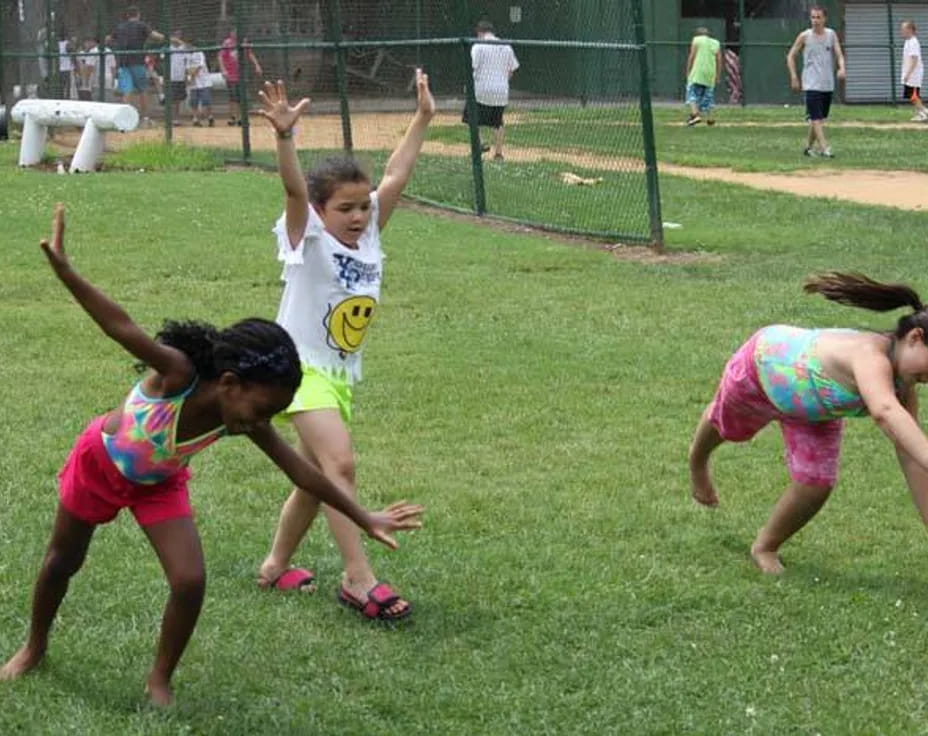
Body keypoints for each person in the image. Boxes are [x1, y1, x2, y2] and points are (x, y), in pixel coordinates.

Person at [0, 205, 423, 705]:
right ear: (229, 383)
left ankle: (160, 679)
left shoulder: (242, 415)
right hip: (101, 464)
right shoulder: (178, 374)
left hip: (159, 482)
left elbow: (304, 472)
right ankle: (34, 647)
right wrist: (68, 272)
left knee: (190, 579)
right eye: (263, 407)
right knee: (63, 561)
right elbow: (120, 326)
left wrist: (363, 513)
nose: (262, 420)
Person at [254, 74, 434, 620]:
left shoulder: (370, 229)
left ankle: (275, 566)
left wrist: (423, 117)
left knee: (314, 482)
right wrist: (286, 138)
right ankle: (359, 578)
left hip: (337, 372)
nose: (358, 217)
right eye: (345, 209)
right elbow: (292, 191)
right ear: (320, 210)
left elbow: (397, 173)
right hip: (298, 368)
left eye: (362, 207)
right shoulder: (304, 234)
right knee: (340, 464)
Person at [690, 272, 928, 575]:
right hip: (764, 369)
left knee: (816, 484)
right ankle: (698, 462)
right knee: (725, 423)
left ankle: (765, 545)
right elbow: (883, 411)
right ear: (915, 338)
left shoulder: (904, 386)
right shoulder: (870, 355)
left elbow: (910, 455)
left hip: (812, 412)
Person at [787, 5, 846, 158]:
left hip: (827, 83)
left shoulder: (831, 35)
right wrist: (794, 76)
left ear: (825, 19)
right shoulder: (804, 36)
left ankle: (808, 148)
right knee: (816, 117)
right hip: (811, 83)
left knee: (819, 118)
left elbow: (839, 54)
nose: (815, 20)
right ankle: (825, 148)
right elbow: (791, 56)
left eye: (818, 17)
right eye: (813, 17)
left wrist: (842, 68)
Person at [463, 20, 519, 161]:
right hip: (500, 91)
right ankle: (498, 154)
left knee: (472, 117)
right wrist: (501, 81)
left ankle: (480, 143)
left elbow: (473, 67)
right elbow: (511, 70)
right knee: (498, 122)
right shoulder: (505, 46)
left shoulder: (478, 46)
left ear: (480, 32)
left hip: (481, 89)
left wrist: (468, 85)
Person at [113, 5, 164, 125]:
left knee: (127, 90)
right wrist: (165, 37)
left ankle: (124, 119)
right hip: (137, 62)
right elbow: (155, 36)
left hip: (123, 62)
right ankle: (145, 118)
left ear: (127, 15)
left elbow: (110, 38)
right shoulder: (141, 25)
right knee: (143, 90)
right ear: (138, 14)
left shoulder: (120, 27)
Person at [219, 30, 262, 126]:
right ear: (231, 33)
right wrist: (223, 70)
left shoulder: (244, 42)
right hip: (231, 75)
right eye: (234, 32)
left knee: (242, 97)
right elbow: (221, 57)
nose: (236, 34)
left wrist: (257, 65)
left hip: (241, 74)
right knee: (233, 98)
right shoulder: (227, 43)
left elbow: (250, 54)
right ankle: (233, 117)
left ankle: (242, 118)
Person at [685, 27, 722, 126]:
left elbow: (692, 56)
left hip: (698, 72)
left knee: (691, 93)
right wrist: (718, 75)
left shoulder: (696, 40)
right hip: (710, 73)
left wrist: (688, 70)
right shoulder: (716, 43)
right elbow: (719, 60)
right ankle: (710, 118)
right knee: (708, 96)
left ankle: (695, 114)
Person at [900, 20, 927, 122]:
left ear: (910, 30)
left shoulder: (913, 42)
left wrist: (908, 74)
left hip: (914, 74)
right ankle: (919, 114)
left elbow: (914, 60)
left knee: (913, 96)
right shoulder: (908, 42)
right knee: (911, 95)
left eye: (903, 29)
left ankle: (924, 112)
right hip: (910, 74)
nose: (901, 31)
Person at [186, 43, 214, 127]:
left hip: (204, 82)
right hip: (194, 84)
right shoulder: (187, 55)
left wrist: (192, 75)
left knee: (206, 101)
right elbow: (187, 68)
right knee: (194, 102)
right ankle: (195, 119)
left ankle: (210, 117)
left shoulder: (200, 53)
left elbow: (199, 66)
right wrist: (189, 78)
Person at [166, 32, 189, 125]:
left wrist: (187, 76)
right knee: (170, 99)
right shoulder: (168, 48)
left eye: (179, 36)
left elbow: (188, 58)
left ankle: (176, 119)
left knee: (178, 100)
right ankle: (168, 118)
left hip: (180, 77)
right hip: (170, 78)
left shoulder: (184, 48)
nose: (176, 38)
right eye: (175, 35)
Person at [89, 37, 118, 102]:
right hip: (108, 77)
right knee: (107, 100)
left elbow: (90, 67)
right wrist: (113, 79)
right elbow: (113, 67)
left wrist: (88, 81)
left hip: (96, 78)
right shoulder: (109, 51)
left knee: (96, 101)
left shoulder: (93, 51)